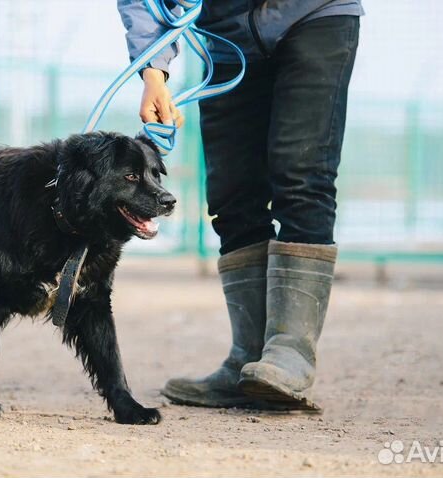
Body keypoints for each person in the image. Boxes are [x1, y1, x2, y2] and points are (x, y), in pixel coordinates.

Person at [117, 0, 362, 411]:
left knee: (301, 175)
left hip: (312, 16)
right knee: (232, 193)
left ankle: (289, 352)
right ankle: (248, 359)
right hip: (226, 35)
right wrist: (153, 72)